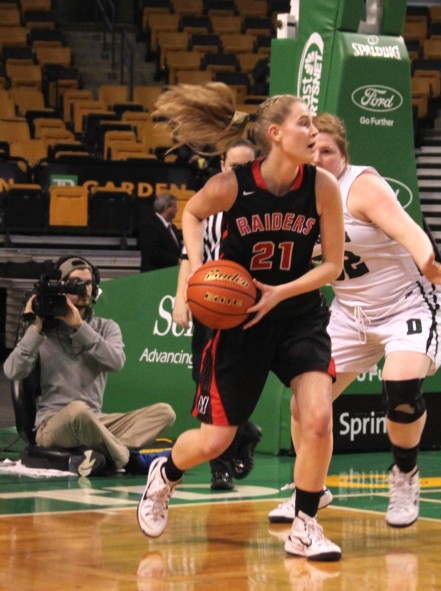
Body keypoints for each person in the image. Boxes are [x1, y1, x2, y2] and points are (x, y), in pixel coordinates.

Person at [136, 84, 346, 562]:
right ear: (275, 133)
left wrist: (280, 293)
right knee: (216, 440)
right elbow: (191, 213)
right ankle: (164, 474)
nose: (313, 131)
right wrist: (193, 271)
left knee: (316, 418)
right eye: (303, 123)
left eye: (312, 124)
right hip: (237, 322)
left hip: (297, 314)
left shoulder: (322, 187)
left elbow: (331, 264)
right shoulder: (233, 186)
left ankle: (306, 526)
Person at [267, 113, 441, 529]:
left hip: (406, 303)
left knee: (402, 388)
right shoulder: (299, 194)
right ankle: (310, 492)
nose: (319, 157)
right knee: (306, 404)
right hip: (349, 312)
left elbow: (411, 231)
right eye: (312, 150)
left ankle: (405, 475)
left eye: (328, 151)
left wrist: (429, 263)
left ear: (343, 155)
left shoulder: (362, 187)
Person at [3, 256, 176, 476]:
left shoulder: (106, 327)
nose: (84, 289)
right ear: (62, 288)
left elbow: (116, 362)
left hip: (96, 419)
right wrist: (35, 329)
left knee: (164, 413)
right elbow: (12, 371)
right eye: (75, 284)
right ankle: (127, 459)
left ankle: (102, 455)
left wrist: (79, 326)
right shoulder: (43, 331)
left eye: (88, 283)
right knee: (78, 410)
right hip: (53, 424)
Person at [172, 138, 263, 492]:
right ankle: (235, 447)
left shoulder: (263, 205)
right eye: (232, 166)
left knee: (230, 387)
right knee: (204, 380)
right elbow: (186, 257)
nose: (238, 172)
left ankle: (231, 451)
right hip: (212, 306)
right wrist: (182, 298)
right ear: (222, 165)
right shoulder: (209, 204)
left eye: (246, 166)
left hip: (250, 309)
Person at [139, 193, 182, 272]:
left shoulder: (173, 228)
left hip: (170, 274)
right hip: (154, 275)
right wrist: (176, 261)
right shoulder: (150, 225)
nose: (177, 209)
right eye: (174, 206)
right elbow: (152, 252)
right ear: (166, 207)